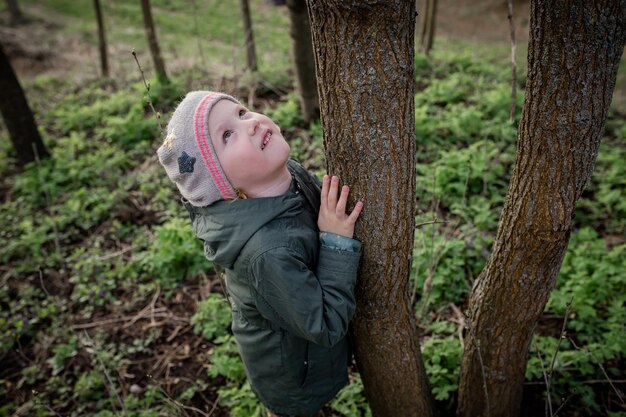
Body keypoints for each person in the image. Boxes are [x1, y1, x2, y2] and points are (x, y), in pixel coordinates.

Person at [156, 91, 364, 416]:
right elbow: (323, 324)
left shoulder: (290, 174)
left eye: (241, 113)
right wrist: (335, 242)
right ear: (224, 186)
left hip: (306, 344)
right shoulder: (267, 252)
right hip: (294, 376)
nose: (250, 124)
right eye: (227, 135)